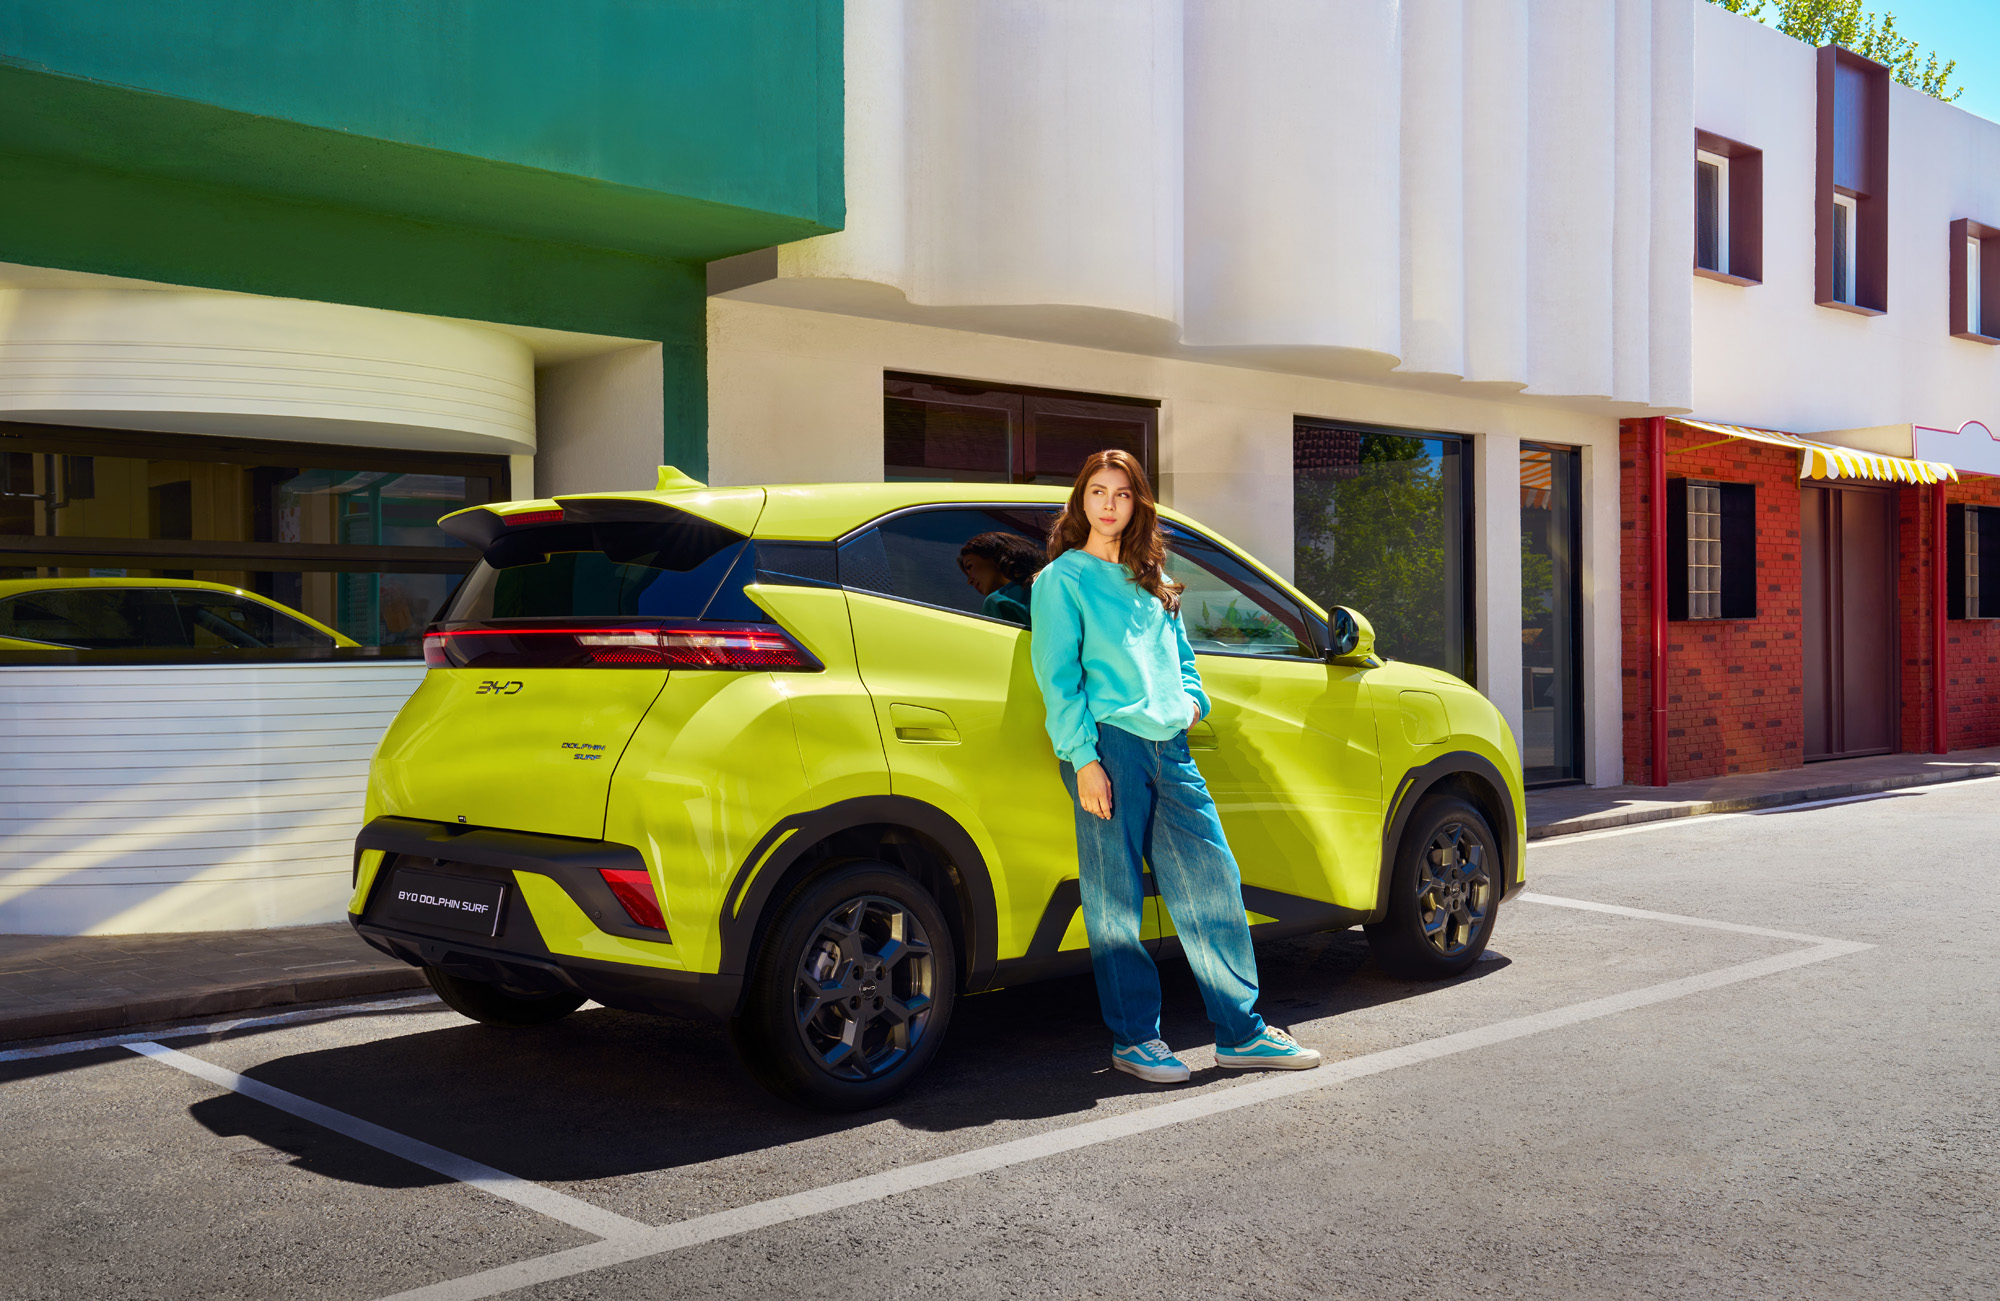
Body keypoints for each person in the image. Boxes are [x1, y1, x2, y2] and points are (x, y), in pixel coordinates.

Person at [1028, 449, 1321, 1083]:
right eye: (1097, 492)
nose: (1108, 505)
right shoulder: (1061, 580)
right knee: (1115, 898)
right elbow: (1057, 679)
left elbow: (1184, 659)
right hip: (1108, 747)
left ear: (1138, 504)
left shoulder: (1152, 577)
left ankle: (1241, 1034)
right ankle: (1135, 1040)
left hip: (1171, 747)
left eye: (1121, 494)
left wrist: (1191, 703)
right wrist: (1083, 760)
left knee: (1213, 881)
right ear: (1081, 501)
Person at [957, 530, 1043, 627]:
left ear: (995, 555)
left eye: (969, 566)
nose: (969, 581)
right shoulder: (1048, 583)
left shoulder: (999, 602)